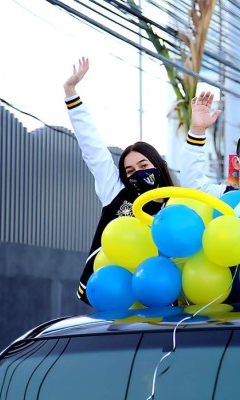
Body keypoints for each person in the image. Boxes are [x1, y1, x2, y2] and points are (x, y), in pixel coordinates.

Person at [64, 57, 176, 305]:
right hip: (107, 292)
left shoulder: (176, 206)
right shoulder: (115, 191)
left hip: (159, 296)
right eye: (130, 169)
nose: (137, 172)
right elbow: (92, 148)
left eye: (144, 166)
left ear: (158, 166)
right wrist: (71, 93)